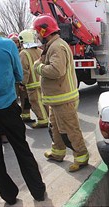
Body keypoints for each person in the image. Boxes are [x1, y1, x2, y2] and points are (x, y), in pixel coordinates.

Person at [0, 9, 45, 205]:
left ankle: (9, 196)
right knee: (22, 149)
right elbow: (19, 75)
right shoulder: (6, 45)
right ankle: (38, 192)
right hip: (6, 106)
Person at [33, 14, 89, 172]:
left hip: (64, 99)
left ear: (44, 31)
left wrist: (38, 67)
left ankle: (81, 156)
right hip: (57, 99)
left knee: (71, 129)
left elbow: (57, 71)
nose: (37, 35)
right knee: (55, 128)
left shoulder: (57, 46)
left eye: (38, 32)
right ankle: (58, 152)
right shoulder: (53, 45)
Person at [19, 29, 49, 128]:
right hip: (42, 82)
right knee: (44, 101)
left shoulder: (24, 53)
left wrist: (22, 83)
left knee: (35, 102)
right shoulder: (40, 51)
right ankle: (48, 118)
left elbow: (24, 70)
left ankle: (42, 120)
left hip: (32, 84)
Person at [8, 32, 35, 123]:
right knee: (14, 100)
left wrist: (23, 82)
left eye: (17, 41)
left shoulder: (23, 52)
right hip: (13, 81)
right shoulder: (8, 52)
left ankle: (26, 116)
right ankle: (15, 118)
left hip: (21, 80)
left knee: (25, 99)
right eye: (13, 41)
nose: (16, 43)